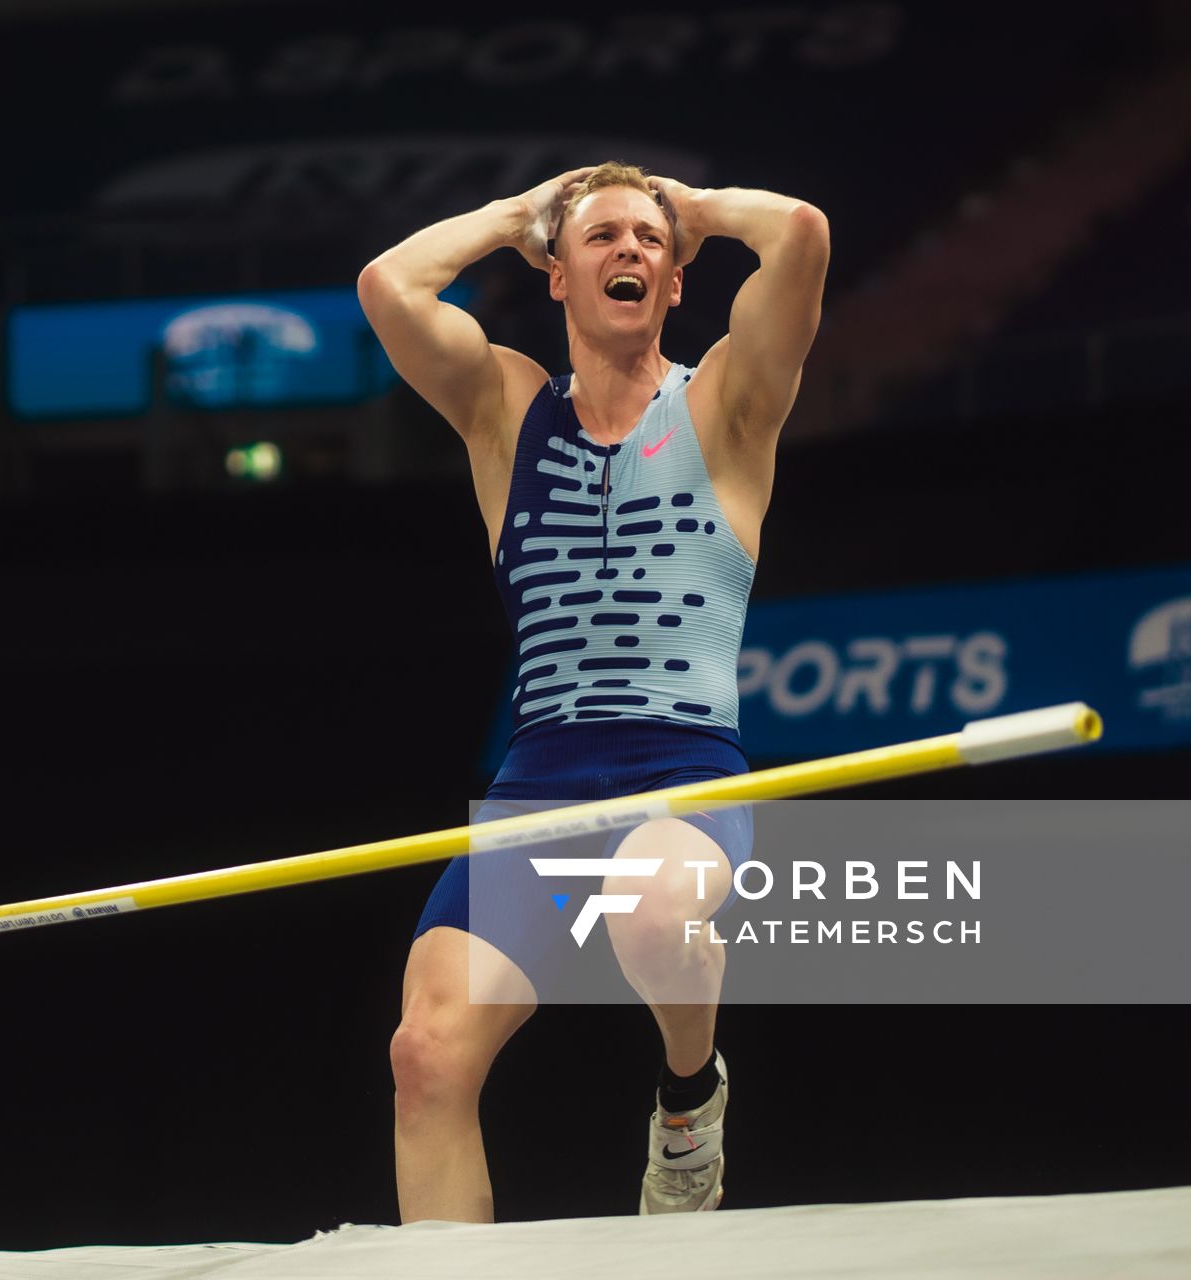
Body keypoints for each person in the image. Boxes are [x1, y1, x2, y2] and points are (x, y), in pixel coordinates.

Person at [357, 161, 828, 1223]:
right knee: (425, 1054)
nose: (629, 250)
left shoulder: (726, 403)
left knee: (654, 910)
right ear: (557, 276)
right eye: (602, 236)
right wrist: (515, 217)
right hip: (539, 786)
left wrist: (693, 210)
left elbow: (799, 231)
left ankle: (688, 1098)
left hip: (681, 770)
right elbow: (390, 285)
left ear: (673, 284)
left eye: (649, 243)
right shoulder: (504, 405)